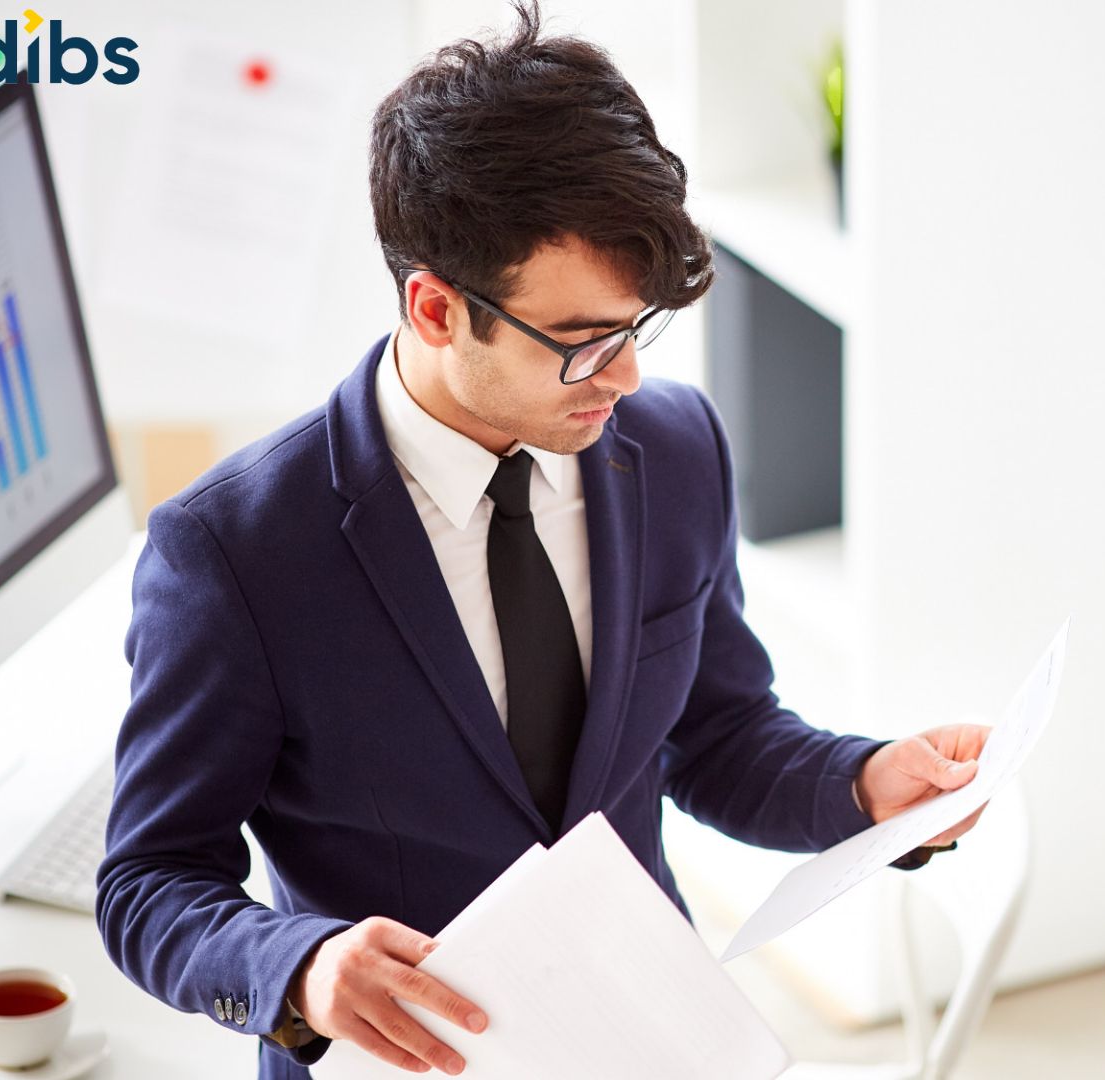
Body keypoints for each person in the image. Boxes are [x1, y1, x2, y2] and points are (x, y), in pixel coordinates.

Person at [94, 4, 991, 1077]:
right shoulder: (235, 552)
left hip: (650, 1038)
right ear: (435, 309)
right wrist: (302, 968)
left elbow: (716, 735)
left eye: (635, 327)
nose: (627, 376)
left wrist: (861, 784)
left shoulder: (676, 449)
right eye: (580, 341)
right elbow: (148, 882)